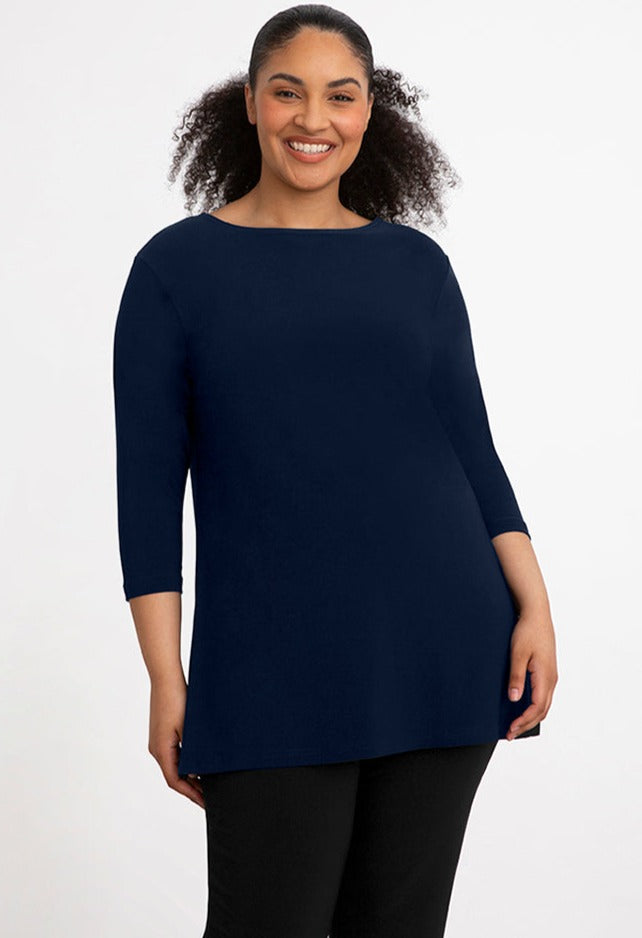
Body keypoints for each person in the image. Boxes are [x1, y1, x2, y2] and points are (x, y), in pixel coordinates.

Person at [112, 4, 559, 936]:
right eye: (288, 92)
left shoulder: (417, 266)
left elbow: (471, 449)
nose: (313, 119)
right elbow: (147, 494)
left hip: (442, 645)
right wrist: (165, 677)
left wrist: (535, 606)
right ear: (249, 102)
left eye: (340, 96)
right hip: (268, 669)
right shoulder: (175, 270)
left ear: (369, 111)